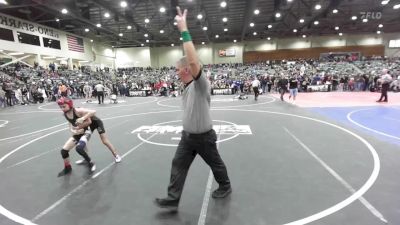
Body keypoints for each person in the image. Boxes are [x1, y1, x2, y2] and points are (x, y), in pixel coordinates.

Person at [154, 6, 231, 211]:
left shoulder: (200, 83)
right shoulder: (186, 86)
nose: (176, 72)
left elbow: (194, 61)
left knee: (215, 164)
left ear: (187, 69)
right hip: (187, 137)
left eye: (178, 69)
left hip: (204, 136)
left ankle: (226, 186)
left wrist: (184, 30)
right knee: (177, 165)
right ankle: (173, 198)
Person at [57, 97, 96, 177]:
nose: (62, 109)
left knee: (79, 148)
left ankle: (91, 162)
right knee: (64, 151)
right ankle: (67, 167)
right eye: (61, 107)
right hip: (77, 134)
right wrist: (72, 130)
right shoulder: (66, 113)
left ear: (69, 104)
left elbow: (93, 112)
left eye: (64, 106)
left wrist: (82, 118)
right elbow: (70, 123)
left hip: (86, 132)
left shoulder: (77, 111)